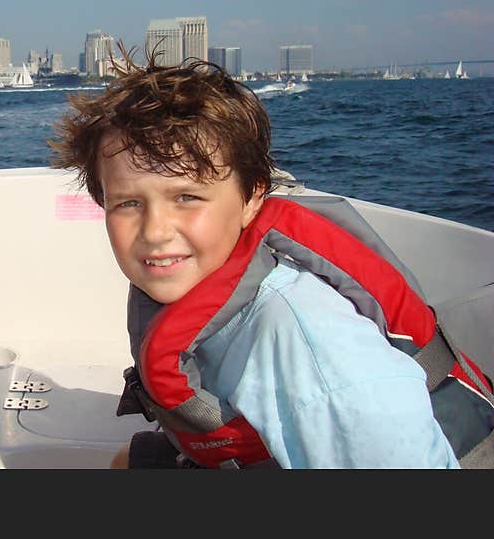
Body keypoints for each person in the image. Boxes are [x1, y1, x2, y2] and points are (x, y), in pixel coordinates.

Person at [50, 49, 493, 469]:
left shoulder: (309, 343)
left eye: (186, 197)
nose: (155, 231)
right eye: (128, 203)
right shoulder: (208, 276)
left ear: (251, 197)